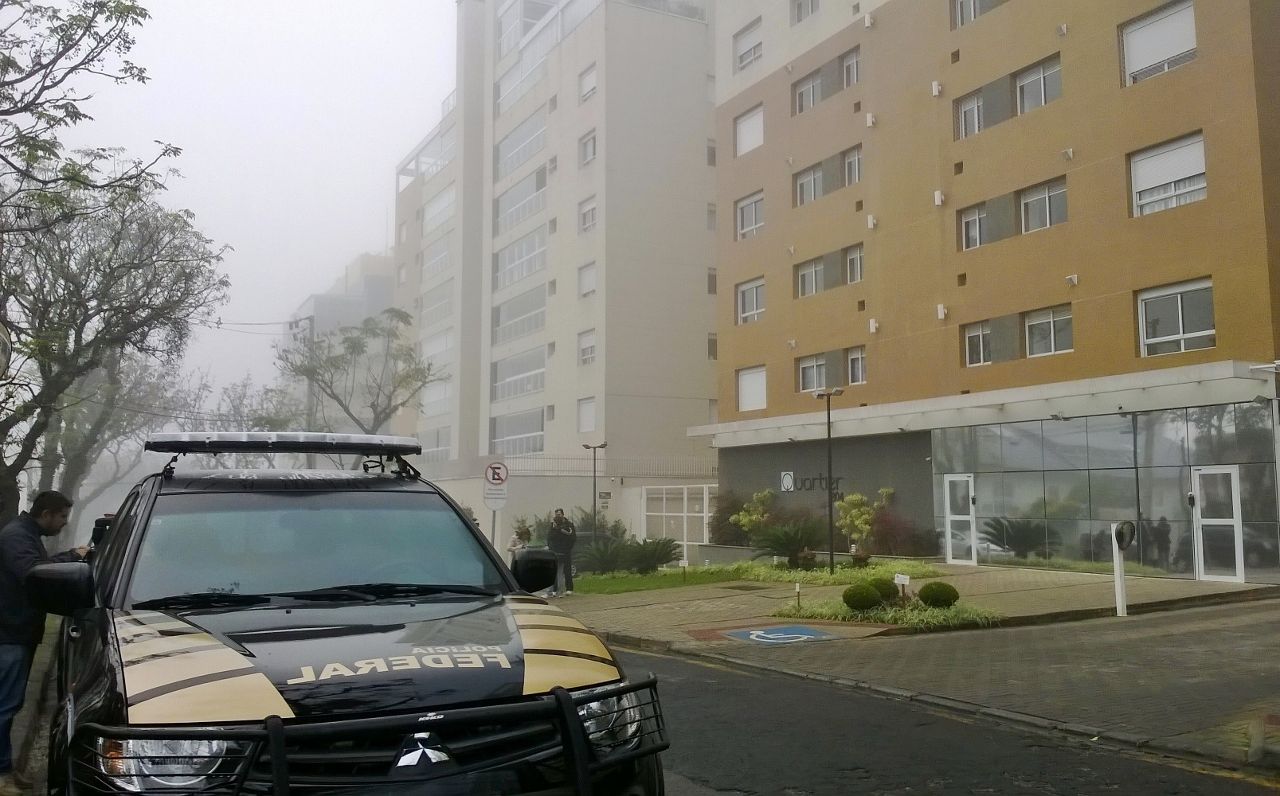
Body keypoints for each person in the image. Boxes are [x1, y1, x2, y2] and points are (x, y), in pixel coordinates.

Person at [0, 491, 87, 795]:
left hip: (18, 633)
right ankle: (0, 776)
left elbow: (41, 564)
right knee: (4, 706)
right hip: (9, 634)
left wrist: (70, 557)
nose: (64, 523)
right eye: (62, 516)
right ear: (47, 513)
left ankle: (6, 770)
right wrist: (72, 559)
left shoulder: (25, 534)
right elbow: (36, 574)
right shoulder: (15, 536)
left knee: (9, 704)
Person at [546, 508, 577, 597]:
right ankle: (554, 590)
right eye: (556, 515)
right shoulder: (553, 525)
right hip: (555, 551)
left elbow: (572, 537)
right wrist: (550, 547)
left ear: (563, 514)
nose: (557, 516)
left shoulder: (569, 525)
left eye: (559, 514)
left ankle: (569, 588)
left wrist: (568, 548)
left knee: (567, 570)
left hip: (566, 551)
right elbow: (550, 537)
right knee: (556, 571)